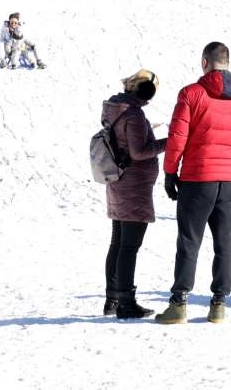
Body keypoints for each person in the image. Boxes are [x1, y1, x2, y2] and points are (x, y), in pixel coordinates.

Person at [156, 41, 231, 324]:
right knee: (224, 243)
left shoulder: (192, 93)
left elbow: (177, 137)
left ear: (205, 62)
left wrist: (169, 173)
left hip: (197, 178)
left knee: (189, 242)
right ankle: (218, 304)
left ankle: (178, 304)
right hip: (229, 180)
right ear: (227, 61)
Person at [100, 69, 167, 318]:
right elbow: (139, 152)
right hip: (134, 186)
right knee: (129, 247)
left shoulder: (115, 107)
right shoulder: (134, 114)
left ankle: (112, 300)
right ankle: (126, 304)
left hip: (117, 180)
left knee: (118, 243)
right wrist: (169, 142)